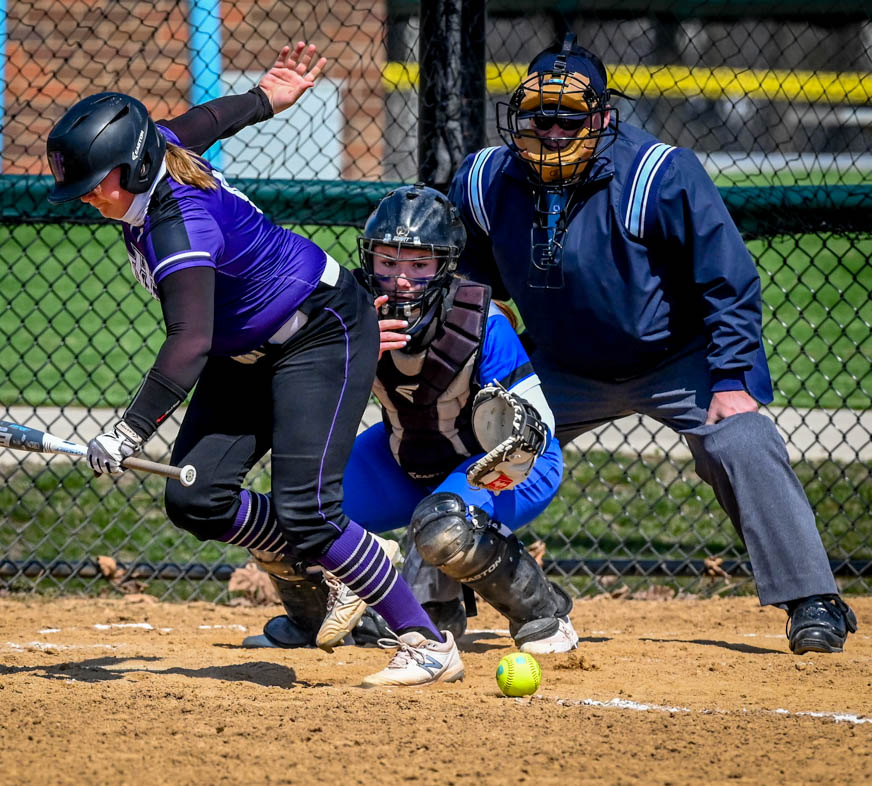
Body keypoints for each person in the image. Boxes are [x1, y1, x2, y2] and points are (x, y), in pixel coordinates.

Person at [44, 43, 464, 688]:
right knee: (196, 498)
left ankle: (426, 642)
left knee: (311, 513)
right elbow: (206, 122)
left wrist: (128, 429)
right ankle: (345, 554)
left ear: (130, 170)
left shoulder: (175, 224)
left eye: (92, 184)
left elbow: (187, 341)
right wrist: (267, 98)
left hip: (321, 333)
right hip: (246, 350)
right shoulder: (151, 151)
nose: (82, 198)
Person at [435, 33, 857, 654]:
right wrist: (487, 345)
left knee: (742, 438)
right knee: (473, 435)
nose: (551, 131)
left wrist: (734, 381)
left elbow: (729, 281)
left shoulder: (659, 173)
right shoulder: (485, 179)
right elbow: (467, 275)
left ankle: (813, 599)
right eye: (537, 116)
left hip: (674, 359)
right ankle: (438, 599)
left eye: (569, 117)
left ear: (603, 116)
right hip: (560, 366)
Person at [249, 184, 579, 657]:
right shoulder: (351, 314)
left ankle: (544, 614)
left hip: (506, 462)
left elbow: (537, 424)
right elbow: (300, 401)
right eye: (387, 263)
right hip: (406, 454)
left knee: (445, 526)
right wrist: (352, 355)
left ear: (445, 268)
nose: (401, 280)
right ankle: (315, 620)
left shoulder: (479, 320)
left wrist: (486, 475)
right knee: (288, 515)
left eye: (419, 266)